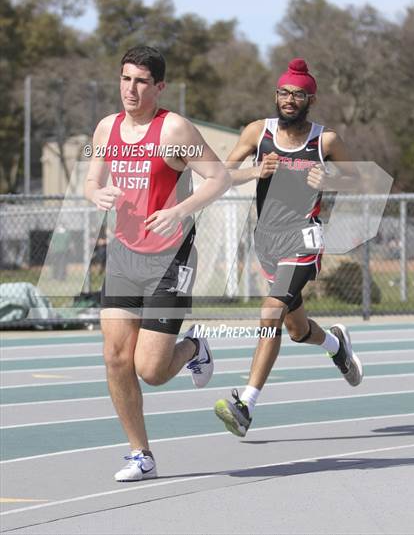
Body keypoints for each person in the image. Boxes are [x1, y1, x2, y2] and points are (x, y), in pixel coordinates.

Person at [84, 45, 231, 480]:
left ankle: (193, 347)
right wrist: (96, 193)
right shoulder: (105, 128)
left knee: (149, 370)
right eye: (125, 78)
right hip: (124, 255)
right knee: (115, 358)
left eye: (141, 81)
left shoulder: (174, 130)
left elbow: (219, 177)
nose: (131, 88)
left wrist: (179, 211)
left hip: (170, 258)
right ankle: (140, 454)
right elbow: (92, 179)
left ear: (159, 86)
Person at [214, 58, 363, 437]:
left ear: (310, 98)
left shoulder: (324, 140)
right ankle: (335, 344)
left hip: (304, 237)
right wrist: (254, 172)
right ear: (276, 95)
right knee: (296, 330)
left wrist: (329, 179)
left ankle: (246, 403)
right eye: (283, 93)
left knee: (269, 311)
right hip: (267, 241)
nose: (289, 100)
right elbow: (221, 176)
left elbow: (357, 180)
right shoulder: (256, 133)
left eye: (298, 95)